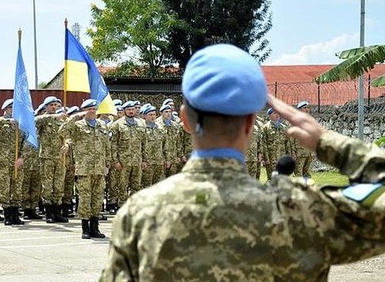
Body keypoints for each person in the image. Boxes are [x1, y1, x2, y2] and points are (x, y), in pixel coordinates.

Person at [99, 43, 385, 281]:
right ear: (250, 122)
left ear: (185, 120)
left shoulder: (140, 215)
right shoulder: (301, 210)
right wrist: (328, 142)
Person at [60, 99, 109, 239]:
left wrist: (107, 163)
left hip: (99, 168)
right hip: (84, 169)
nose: (92, 111)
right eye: (89, 109)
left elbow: (107, 145)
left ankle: (95, 228)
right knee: (85, 198)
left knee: (98, 198)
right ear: (84, 110)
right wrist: (76, 116)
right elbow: (62, 132)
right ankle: (85, 228)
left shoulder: (101, 125)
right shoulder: (78, 125)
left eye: (94, 108)